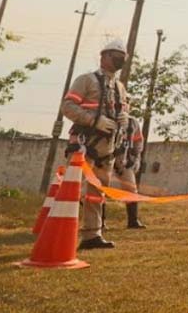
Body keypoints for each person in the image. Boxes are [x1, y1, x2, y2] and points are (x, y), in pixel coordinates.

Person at [61, 38, 131, 250]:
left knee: (96, 192)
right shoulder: (86, 80)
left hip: (107, 148)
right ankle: (58, 227)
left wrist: (123, 118)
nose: (119, 61)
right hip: (84, 144)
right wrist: (93, 120)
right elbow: (67, 106)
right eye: (116, 56)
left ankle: (92, 234)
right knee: (70, 188)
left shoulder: (120, 87)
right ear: (104, 56)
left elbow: (123, 110)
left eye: (122, 58)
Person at [112, 114, 146, 229]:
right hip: (105, 158)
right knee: (99, 188)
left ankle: (133, 220)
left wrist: (135, 157)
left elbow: (138, 140)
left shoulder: (132, 122)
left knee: (131, 190)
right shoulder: (106, 117)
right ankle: (100, 223)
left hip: (124, 160)